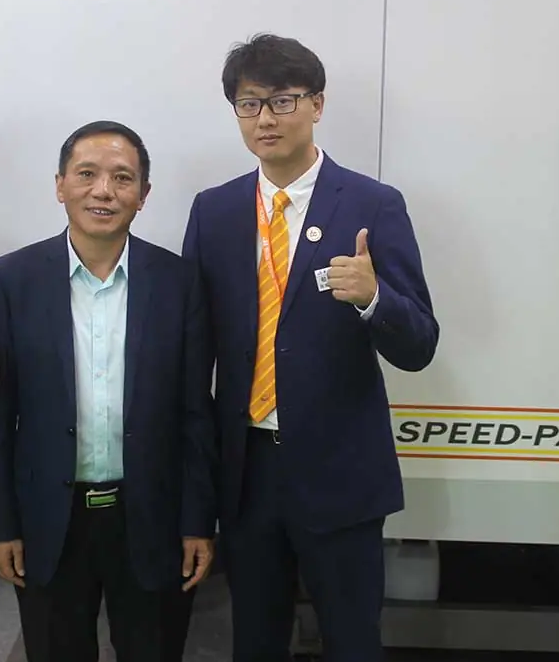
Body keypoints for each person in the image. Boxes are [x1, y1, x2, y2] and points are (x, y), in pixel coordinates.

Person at [182, 34, 439, 662]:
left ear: (317, 104)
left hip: (340, 471)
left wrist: (375, 298)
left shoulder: (373, 204)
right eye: (249, 104)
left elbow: (420, 344)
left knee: (352, 642)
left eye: (282, 100)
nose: (265, 119)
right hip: (247, 473)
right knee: (255, 641)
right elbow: (193, 352)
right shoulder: (215, 212)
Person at [0, 120, 217, 662]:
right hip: (47, 520)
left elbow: (196, 413)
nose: (103, 191)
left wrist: (198, 521)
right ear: (60, 185)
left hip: (151, 516)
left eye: (122, 178)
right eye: (86, 174)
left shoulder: (179, 283)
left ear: (143, 195)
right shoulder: (12, 279)